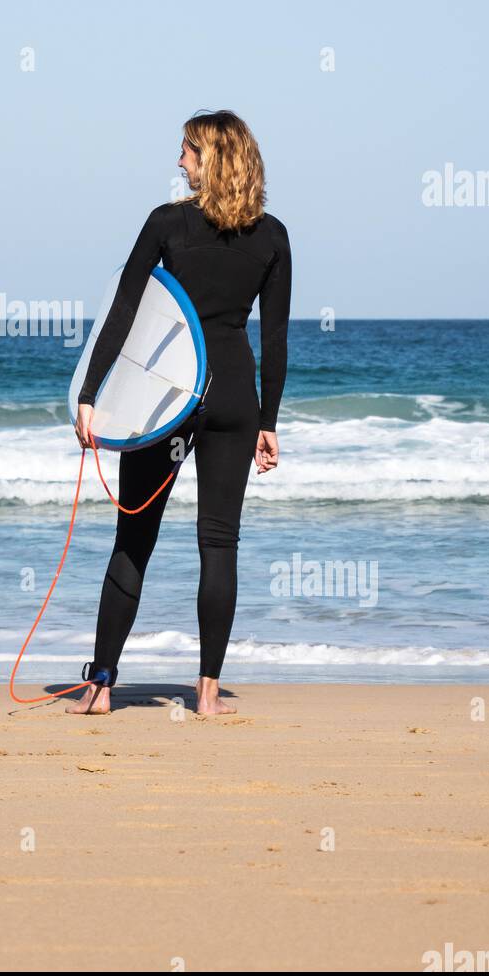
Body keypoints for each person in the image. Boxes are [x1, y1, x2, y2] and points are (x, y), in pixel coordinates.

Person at [72, 110, 291, 716]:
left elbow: (123, 311)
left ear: (210, 158)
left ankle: (102, 686)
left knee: (133, 538)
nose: (178, 161)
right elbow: (275, 339)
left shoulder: (167, 222)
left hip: (167, 398)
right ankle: (209, 694)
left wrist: (90, 394)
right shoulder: (272, 236)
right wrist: (267, 420)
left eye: (187, 151)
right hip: (232, 399)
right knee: (219, 544)